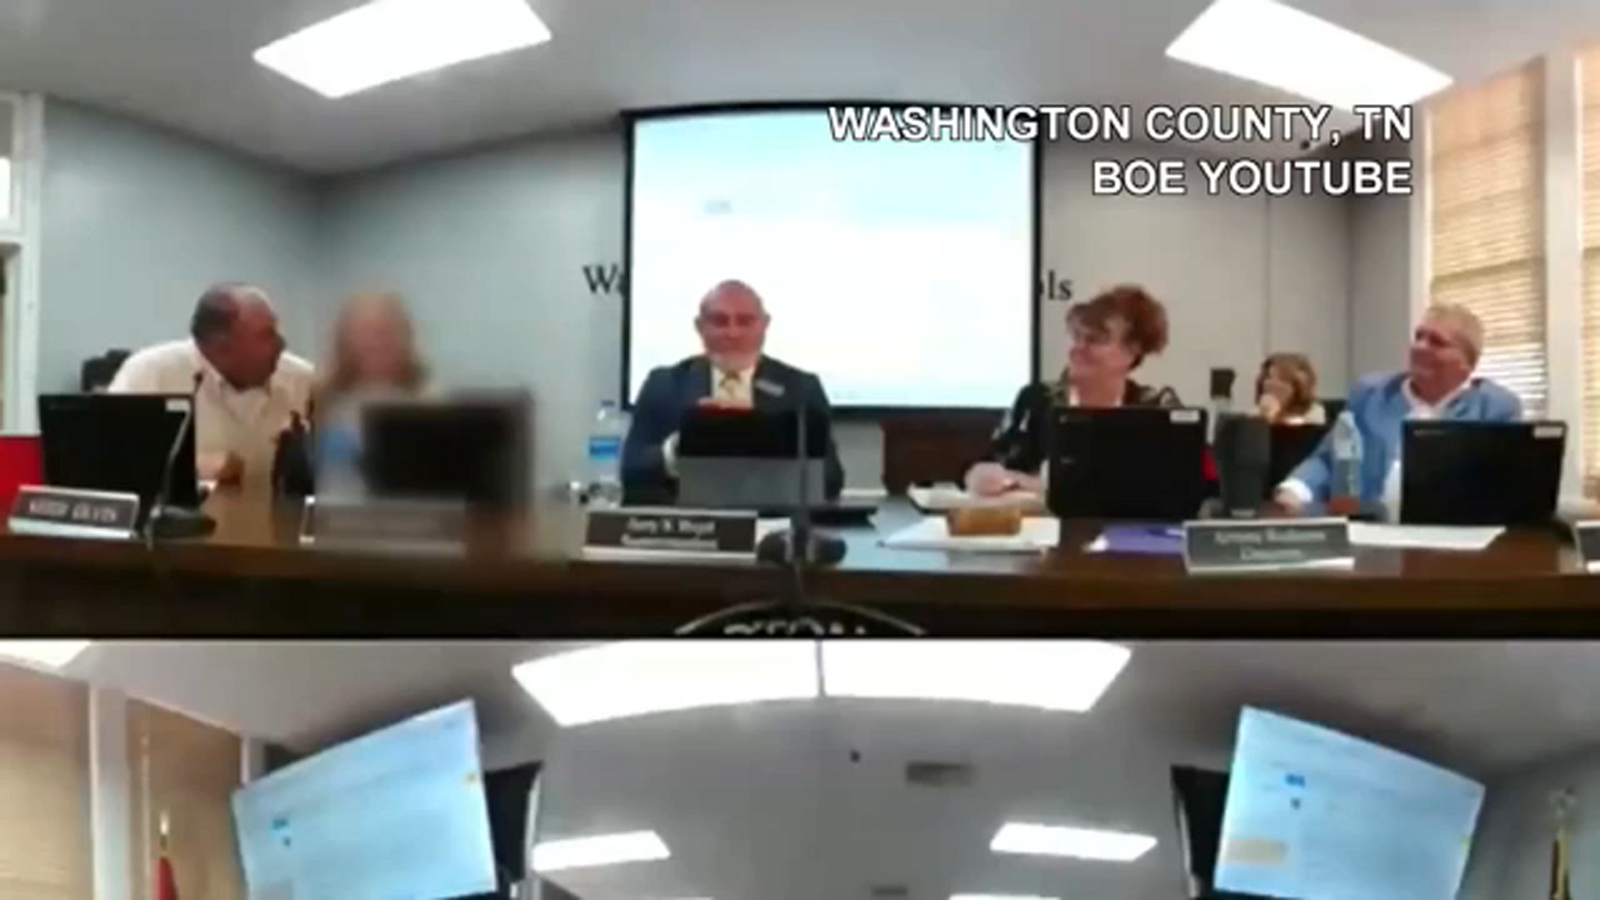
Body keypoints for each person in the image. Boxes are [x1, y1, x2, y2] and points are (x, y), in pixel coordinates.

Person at [1274, 303, 1522, 518]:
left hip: (1457, 540)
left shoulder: (1495, 408)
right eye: (1419, 337)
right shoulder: (1370, 394)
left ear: (1467, 364)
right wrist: (1295, 490)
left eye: (1437, 342)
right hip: (1369, 530)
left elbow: (1505, 489)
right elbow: (1329, 459)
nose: (1421, 347)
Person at [622, 279, 845, 503]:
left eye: (745, 322)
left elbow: (831, 479)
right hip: (689, 517)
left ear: (764, 325)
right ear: (699, 326)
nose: (733, 332)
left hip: (772, 517)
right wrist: (679, 448)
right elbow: (631, 471)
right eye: (719, 322)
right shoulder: (665, 385)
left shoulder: (800, 388)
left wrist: (770, 447)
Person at [966, 285, 1180, 496]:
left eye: (1094, 340)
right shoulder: (1036, 401)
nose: (1078, 348)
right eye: (1077, 336)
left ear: (1132, 352)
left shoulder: (1156, 410)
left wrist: (1030, 483)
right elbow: (988, 466)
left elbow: (1179, 488)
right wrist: (980, 476)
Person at [109, 283, 314, 487]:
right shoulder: (150, 373)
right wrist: (191, 467)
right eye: (266, 335)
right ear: (220, 345)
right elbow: (109, 456)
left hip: (276, 508)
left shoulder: (302, 379)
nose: (281, 344)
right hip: (184, 509)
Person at [312, 291, 432, 499]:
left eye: (385, 332)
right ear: (344, 341)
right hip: (336, 514)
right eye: (365, 333)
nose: (376, 343)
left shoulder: (430, 405)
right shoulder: (321, 404)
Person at [1255, 352, 1327, 425]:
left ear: (1298, 386)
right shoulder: (1258, 411)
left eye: (1281, 379)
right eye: (1268, 377)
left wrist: (1274, 417)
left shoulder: (1314, 412)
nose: (1271, 384)